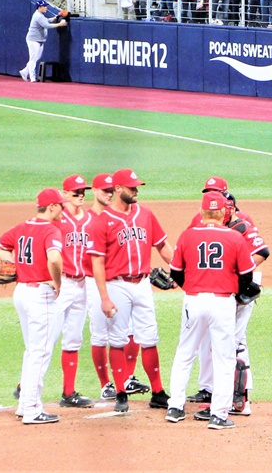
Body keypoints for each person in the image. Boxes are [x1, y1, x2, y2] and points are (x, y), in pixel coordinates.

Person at [164, 191, 256, 430]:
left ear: (202, 212)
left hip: (193, 301)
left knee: (185, 353)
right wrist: (236, 288)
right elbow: (247, 276)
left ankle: (175, 407)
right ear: (223, 212)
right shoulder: (234, 238)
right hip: (222, 302)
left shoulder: (187, 236)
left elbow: (175, 272)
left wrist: (191, 286)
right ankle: (218, 415)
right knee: (224, 359)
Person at [87, 168, 173, 413]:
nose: (136, 190)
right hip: (117, 286)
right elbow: (96, 262)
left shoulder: (145, 215)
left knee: (149, 337)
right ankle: (121, 393)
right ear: (117, 189)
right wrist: (104, 297)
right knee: (117, 340)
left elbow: (163, 246)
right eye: (132, 187)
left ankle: (157, 392)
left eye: (137, 187)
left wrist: (180, 271)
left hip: (143, 284)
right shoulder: (102, 221)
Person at [0, 187, 65, 424]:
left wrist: (16, 264)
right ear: (52, 207)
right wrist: (58, 283)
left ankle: (25, 404)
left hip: (22, 293)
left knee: (32, 349)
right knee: (40, 352)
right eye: (61, 205)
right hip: (40, 295)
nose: (63, 209)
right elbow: (54, 258)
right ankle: (33, 409)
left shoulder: (22, 226)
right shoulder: (51, 230)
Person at [52, 175, 99, 407]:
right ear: (65, 193)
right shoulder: (58, 219)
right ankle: (25, 387)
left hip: (82, 286)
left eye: (83, 192)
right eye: (75, 192)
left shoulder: (91, 219)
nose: (80, 195)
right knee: (46, 338)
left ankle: (68, 393)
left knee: (73, 339)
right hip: (60, 285)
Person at [21, 0, 67, 82]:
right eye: (44, 6)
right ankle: (32, 78)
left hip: (39, 40)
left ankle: (25, 71)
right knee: (33, 59)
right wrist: (60, 24)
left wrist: (57, 16)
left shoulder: (40, 15)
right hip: (33, 40)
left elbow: (47, 20)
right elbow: (47, 25)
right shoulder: (38, 16)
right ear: (39, 7)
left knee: (36, 58)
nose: (46, 8)